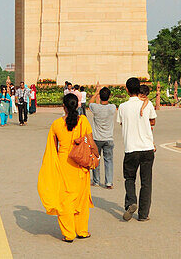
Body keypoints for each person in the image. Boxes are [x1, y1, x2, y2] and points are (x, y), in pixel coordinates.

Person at [37, 92, 93, 243]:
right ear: (77, 105)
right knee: (81, 197)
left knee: (65, 199)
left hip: (64, 164)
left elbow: (51, 149)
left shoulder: (56, 124)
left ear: (64, 106)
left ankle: (68, 233)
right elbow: (91, 143)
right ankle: (81, 230)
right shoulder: (84, 122)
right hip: (81, 164)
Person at [117, 76, 156, 222]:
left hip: (131, 149)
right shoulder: (148, 104)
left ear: (127, 90)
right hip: (147, 148)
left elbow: (122, 123)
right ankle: (143, 214)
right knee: (146, 182)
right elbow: (153, 121)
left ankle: (131, 202)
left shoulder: (122, 107)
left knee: (129, 178)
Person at [87, 86, 117, 189]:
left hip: (97, 138)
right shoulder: (112, 107)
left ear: (100, 96)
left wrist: (96, 93)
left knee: (96, 159)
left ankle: (96, 181)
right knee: (108, 160)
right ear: (109, 96)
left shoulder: (96, 108)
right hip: (108, 138)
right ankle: (109, 182)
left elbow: (90, 103)